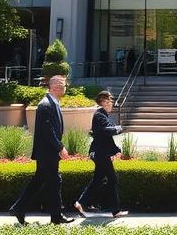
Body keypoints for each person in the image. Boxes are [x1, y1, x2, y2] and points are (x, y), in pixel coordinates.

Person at [10, 75, 73, 225]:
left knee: (44, 181)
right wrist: (60, 147)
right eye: (63, 85)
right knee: (52, 181)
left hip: (48, 152)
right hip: (47, 152)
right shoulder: (45, 105)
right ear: (55, 86)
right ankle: (55, 216)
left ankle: (20, 208)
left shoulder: (52, 103)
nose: (65, 87)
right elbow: (48, 131)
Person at [75, 91, 127, 218]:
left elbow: (103, 135)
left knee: (98, 179)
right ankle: (115, 211)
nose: (111, 104)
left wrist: (116, 149)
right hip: (100, 153)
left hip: (100, 152)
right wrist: (118, 128)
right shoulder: (99, 115)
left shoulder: (102, 115)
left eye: (111, 101)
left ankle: (80, 203)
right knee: (112, 179)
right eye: (109, 102)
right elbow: (105, 131)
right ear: (103, 102)